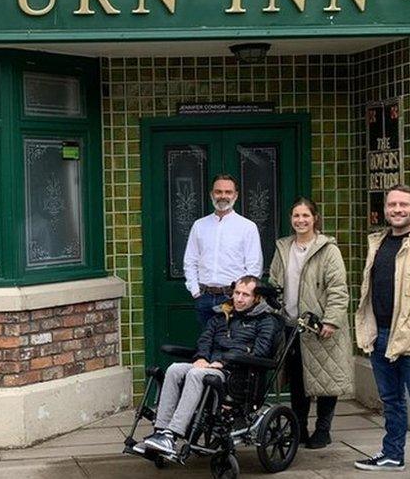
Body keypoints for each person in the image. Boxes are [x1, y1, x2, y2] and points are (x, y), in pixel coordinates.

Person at [143, 275, 279, 456]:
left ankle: (172, 434)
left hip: (236, 373)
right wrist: (201, 357)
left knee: (195, 375)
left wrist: (223, 362)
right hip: (210, 366)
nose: (239, 299)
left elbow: (260, 352)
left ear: (256, 297)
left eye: (245, 295)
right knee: (175, 369)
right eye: (237, 293)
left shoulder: (266, 321)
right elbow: (206, 339)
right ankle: (160, 431)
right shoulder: (221, 315)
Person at [354, 185, 410, 478]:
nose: (397, 210)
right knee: (391, 400)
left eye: (403, 205)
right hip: (381, 334)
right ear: (385, 210)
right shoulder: (378, 242)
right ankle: (393, 454)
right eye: (392, 205)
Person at [269, 197, 352, 450]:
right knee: (298, 380)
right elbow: (274, 283)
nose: (301, 220)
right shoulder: (283, 248)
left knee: (326, 380)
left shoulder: (328, 250)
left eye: (306, 215)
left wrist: (331, 321)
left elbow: (338, 290)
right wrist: (275, 310)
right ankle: (299, 427)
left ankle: (323, 430)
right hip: (292, 325)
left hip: (320, 326)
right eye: (296, 216)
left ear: (315, 218)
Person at [184, 174, 264, 327]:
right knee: (207, 344)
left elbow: (254, 267)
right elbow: (190, 261)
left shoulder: (247, 227)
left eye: (228, 192)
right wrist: (195, 291)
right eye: (218, 192)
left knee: (233, 345)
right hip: (205, 298)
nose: (223, 196)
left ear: (236, 195)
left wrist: (241, 296)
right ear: (211, 194)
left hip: (233, 299)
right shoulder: (199, 226)